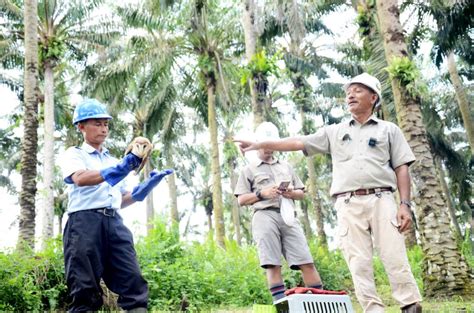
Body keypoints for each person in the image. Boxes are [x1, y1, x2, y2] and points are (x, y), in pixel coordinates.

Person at [235, 73, 422, 313]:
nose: (350, 95)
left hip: (382, 198)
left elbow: (401, 167)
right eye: (348, 91)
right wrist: (261, 144)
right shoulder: (334, 132)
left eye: (358, 90)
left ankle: (409, 305)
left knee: (394, 255)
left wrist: (404, 204)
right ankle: (373, 310)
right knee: (358, 262)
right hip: (348, 203)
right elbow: (298, 142)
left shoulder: (389, 130)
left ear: (373, 97)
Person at [59, 98, 173, 312]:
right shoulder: (74, 154)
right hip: (84, 224)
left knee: (133, 283)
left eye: (106, 124)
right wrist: (121, 167)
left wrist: (144, 189)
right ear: (81, 126)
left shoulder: (112, 160)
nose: (103, 129)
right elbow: (80, 178)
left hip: (114, 223)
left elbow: (120, 199)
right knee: (85, 291)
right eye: (97, 123)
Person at [234, 122, 323, 303]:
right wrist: (262, 193)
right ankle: (282, 306)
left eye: (272, 143)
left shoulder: (286, 166)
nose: (269, 148)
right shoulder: (249, 169)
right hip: (264, 215)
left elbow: (301, 193)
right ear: (257, 143)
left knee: (306, 260)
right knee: (272, 264)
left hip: (288, 214)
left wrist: (291, 192)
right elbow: (241, 200)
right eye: (265, 144)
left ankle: (319, 303)